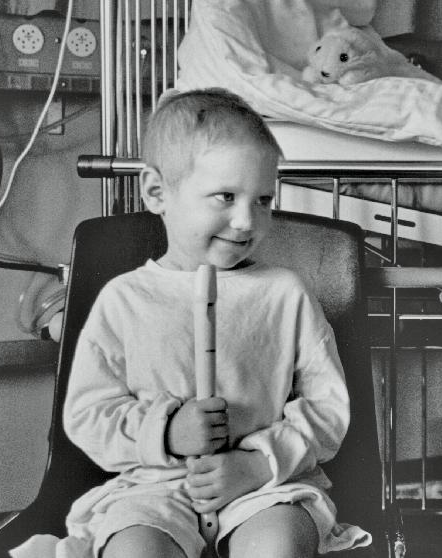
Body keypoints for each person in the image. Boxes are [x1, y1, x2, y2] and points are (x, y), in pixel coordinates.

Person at [60, 89, 369, 558]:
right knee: (134, 552)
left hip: (265, 485)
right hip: (153, 488)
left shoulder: (285, 293)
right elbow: (88, 415)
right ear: (156, 192)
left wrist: (258, 463)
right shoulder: (124, 300)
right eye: (226, 196)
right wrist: (165, 431)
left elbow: (328, 407)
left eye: (263, 200)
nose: (246, 221)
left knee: (279, 545)